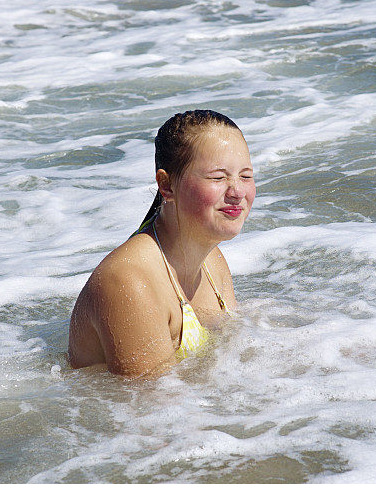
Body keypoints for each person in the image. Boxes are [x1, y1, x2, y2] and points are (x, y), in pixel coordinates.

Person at [67, 110, 255, 377]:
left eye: (245, 176)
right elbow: (149, 409)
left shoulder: (213, 261)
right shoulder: (128, 282)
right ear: (166, 185)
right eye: (218, 177)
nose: (237, 192)